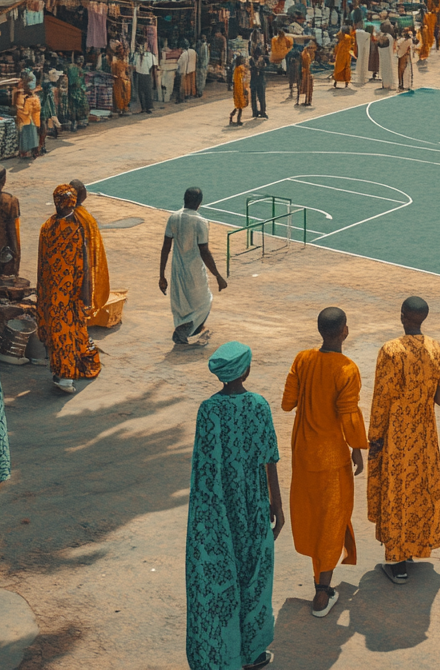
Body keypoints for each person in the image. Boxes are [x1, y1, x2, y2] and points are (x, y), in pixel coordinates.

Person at [186, 342, 284, 670]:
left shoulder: (208, 410)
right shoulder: (259, 406)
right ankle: (253, 653)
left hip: (218, 514)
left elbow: (203, 469)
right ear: (245, 371)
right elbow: (270, 459)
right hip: (254, 506)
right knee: (256, 577)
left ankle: (222, 657)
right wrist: (278, 506)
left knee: (221, 582)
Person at [281, 307, 368, 617]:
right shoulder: (347, 369)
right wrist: (357, 447)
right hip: (332, 458)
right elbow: (349, 414)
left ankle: (319, 579)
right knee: (332, 516)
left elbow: (287, 402)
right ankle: (322, 592)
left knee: (311, 513)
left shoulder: (302, 359)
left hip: (303, 453)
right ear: (344, 331)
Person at [368, 297, 440, 584]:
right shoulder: (436, 349)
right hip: (425, 431)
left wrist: (374, 437)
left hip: (397, 432)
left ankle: (397, 560)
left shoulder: (390, 351)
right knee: (419, 489)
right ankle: (413, 547)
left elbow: (381, 398)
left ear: (402, 316)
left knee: (396, 490)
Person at [37, 185, 101, 394]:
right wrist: (86, 294)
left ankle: (64, 371)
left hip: (53, 294)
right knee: (66, 333)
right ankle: (65, 376)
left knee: (60, 334)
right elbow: (85, 264)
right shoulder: (77, 229)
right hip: (68, 295)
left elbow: (42, 263)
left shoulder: (47, 226)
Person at [159, 187, 228, 346]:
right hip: (195, 270)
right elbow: (204, 251)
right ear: (199, 203)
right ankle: (187, 330)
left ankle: (190, 328)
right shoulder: (201, 222)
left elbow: (165, 247)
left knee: (182, 303)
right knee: (205, 302)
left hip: (177, 269)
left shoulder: (173, 218)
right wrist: (218, 275)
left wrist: (162, 275)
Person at [67, 179, 112, 327]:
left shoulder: (66, 214)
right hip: (83, 260)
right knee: (83, 288)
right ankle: (82, 314)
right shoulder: (82, 216)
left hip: (71, 260)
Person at [133, 42, 155, 114]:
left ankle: (149, 108)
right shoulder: (136, 55)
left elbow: (154, 66)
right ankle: (143, 108)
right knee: (140, 92)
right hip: (139, 75)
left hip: (147, 75)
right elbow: (134, 64)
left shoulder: (150, 55)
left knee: (147, 92)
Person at [111, 44, 131, 116]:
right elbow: (113, 69)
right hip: (118, 78)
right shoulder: (115, 58)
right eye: (120, 49)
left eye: (122, 49)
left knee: (127, 94)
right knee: (119, 94)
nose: (121, 51)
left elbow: (127, 68)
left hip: (125, 78)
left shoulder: (125, 58)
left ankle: (125, 108)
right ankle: (120, 109)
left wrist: (128, 75)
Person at [230, 53, 250, 125]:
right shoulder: (240, 68)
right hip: (240, 88)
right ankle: (238, 120)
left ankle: (231, 116)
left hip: (237, 88)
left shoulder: (236, 68)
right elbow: (243, 78)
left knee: (238, 105)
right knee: (241, 105)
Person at [249, 43, 268, 120]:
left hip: (261, 80)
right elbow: (250, 68)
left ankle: (263, 111)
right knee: (253, 97)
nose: (257, 55)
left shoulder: (263, 60)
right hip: (253, 80)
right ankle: (255, 111)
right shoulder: (251, 60)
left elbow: (266, 67)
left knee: (262, 97)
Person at [298, 41, 315, 108]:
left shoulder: (310, 54)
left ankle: (308, 100)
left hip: (308, 72)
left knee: (309, 87)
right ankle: (307, 100)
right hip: (305, 73)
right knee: (306, 86)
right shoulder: (305, 54)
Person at [353, 22, 370, 86]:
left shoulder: (355, 33)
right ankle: (362, 78)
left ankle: (359, 77)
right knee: (363, 62)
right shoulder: (367, 35)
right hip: (364, 50)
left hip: (356, 50)